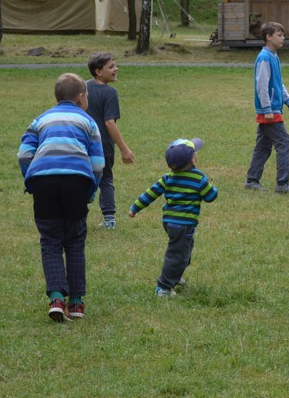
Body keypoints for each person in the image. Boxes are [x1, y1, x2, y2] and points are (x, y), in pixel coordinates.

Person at [18, 73, 104, 322]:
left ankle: (56, 298)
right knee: (75, 239)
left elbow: (24, 154)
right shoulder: (88, 122)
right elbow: (98, 164)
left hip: (44, 182)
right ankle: (76, 303)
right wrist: (91, 189)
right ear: (80, 97)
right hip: (76, 181)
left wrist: (32, 180)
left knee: (50, 239)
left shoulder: (41, 119)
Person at [129, 138, 218, 297]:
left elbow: (151, 193)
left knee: (184, 251)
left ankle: (175, 275)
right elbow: (211, 196)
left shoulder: (168, 177)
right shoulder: (198, 177)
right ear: (192, 160)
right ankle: (163, 287)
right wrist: (209, 185)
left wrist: (135, 207)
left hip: (170, 222)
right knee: (177, 254)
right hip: (183, 224)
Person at [244, 22, 289, 194]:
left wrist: (288, 101)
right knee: (285, 144)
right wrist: (267, 109)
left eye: (283, 35)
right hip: (270, 112)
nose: (283, 38)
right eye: (279, 35)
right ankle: (282, 184)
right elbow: (261, 86)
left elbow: (278, 83)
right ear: (269, 37)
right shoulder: (264, 58)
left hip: (274, 109)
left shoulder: (274, 57)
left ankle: (252, 180)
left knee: (263, 147)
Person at [86, 52, 135, 230]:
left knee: (82, 177)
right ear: (99, 71)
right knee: (105, 179)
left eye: (115, 65)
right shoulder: (110, 93)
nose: (116, 69)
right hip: (102, 146)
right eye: (111, 67)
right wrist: (124, 149)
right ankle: (109, 219)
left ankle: (78, 212)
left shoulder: (83, 87)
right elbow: (109, 122)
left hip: (82, 144)